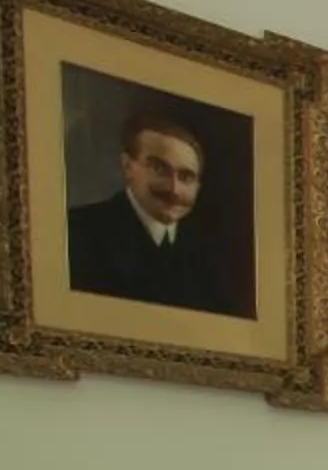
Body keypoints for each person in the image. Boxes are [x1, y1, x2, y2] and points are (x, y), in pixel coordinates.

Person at [65, 108, 235, 315]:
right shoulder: (75, 232)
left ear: (198, 187)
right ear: (128, 166)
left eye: (186, 177)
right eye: (159, 169)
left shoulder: (210, 258)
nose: (174, 189)